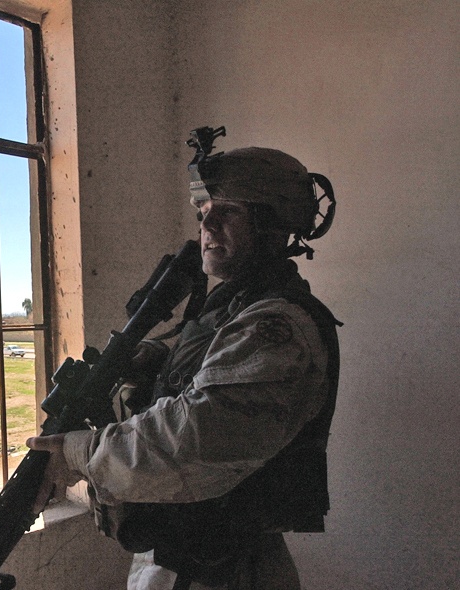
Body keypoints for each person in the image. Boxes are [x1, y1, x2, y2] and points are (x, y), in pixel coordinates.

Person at [29, 136, 340, 590]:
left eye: (228, 211)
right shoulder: (234, 306)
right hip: (186, 554)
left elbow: (198, 436)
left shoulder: (276, 322)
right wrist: (154, 360)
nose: (206, 225)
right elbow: (210, 367)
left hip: (224, 567)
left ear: (272, 223)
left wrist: (79, 451)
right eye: (203, 213)